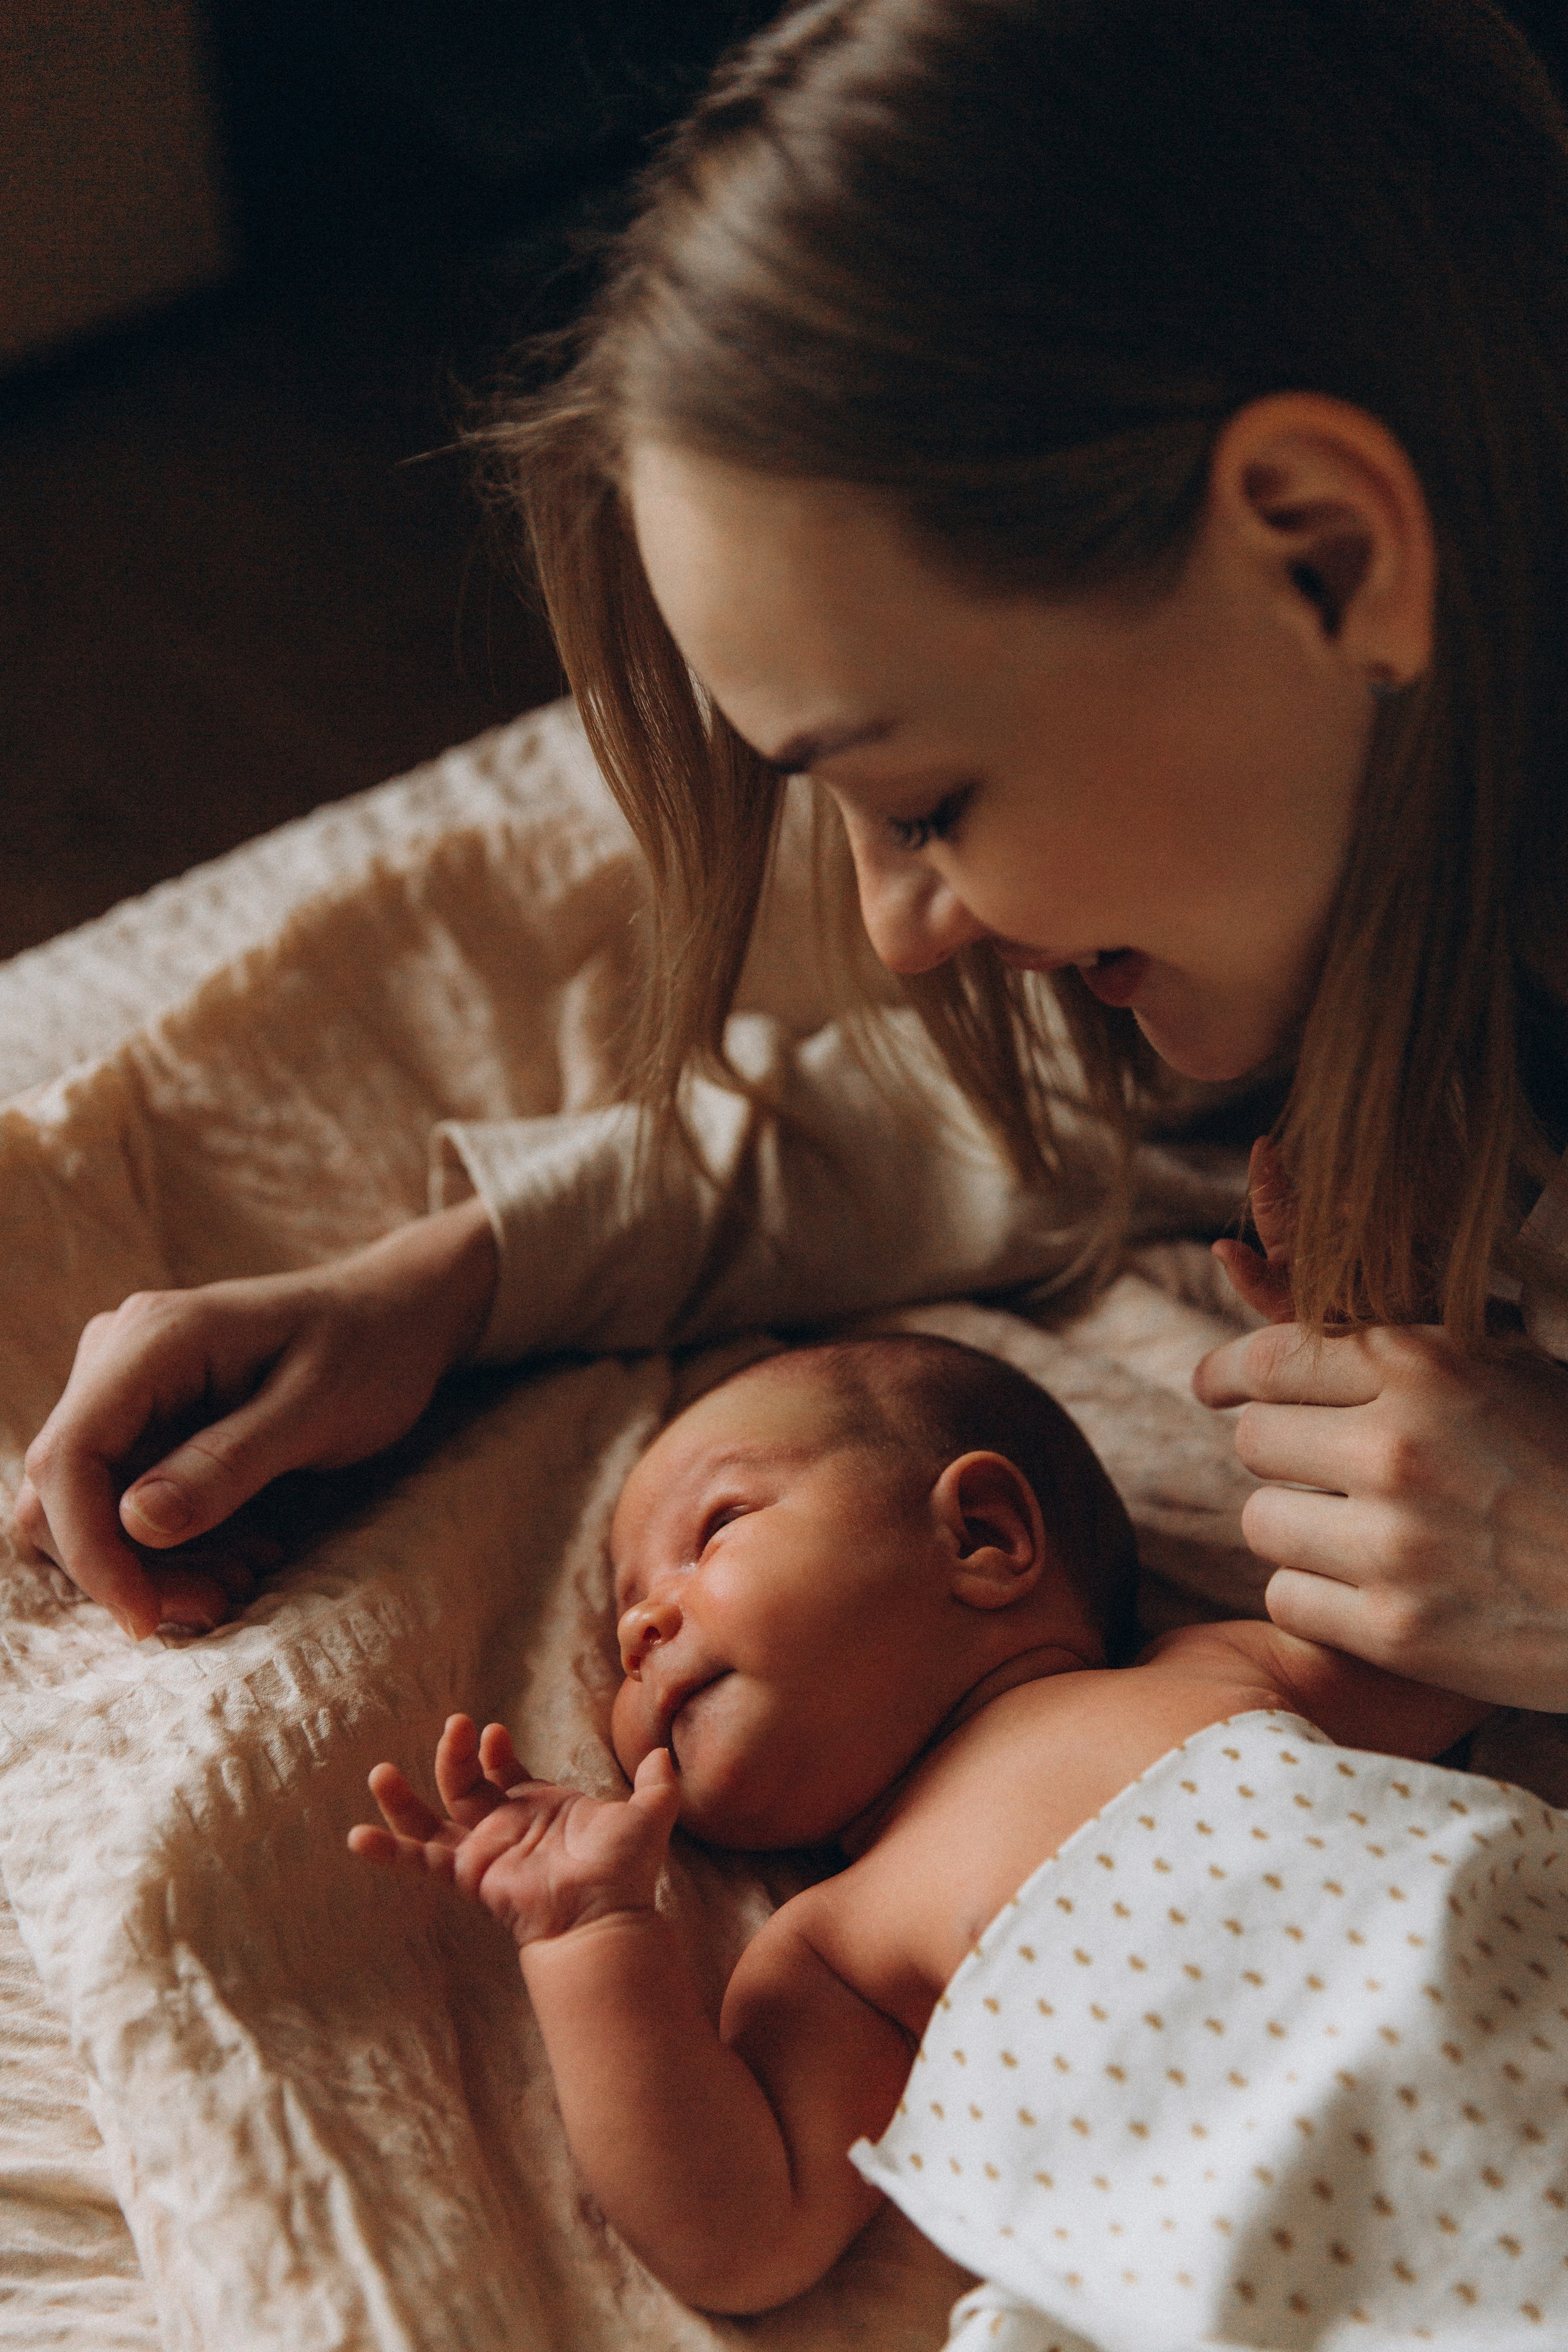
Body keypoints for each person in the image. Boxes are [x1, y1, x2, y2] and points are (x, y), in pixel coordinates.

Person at [15, 1, 1568, 1717]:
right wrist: (424, 1291)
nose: (899, 935)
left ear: (1327, 556)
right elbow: (1013, 1132)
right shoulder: (1376, 895)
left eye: (925, 802)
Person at [346, 1333, 1497, 2321]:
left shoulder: (1221, 1669)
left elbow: (1463, 1632)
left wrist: (1368, 1339)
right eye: (625, 1611)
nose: (643, 1623)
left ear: (981, 1536)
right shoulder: (832, 1948)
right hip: (1281, 2283)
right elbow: (741, 2233)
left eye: (715, 1529)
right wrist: (587, 1934)